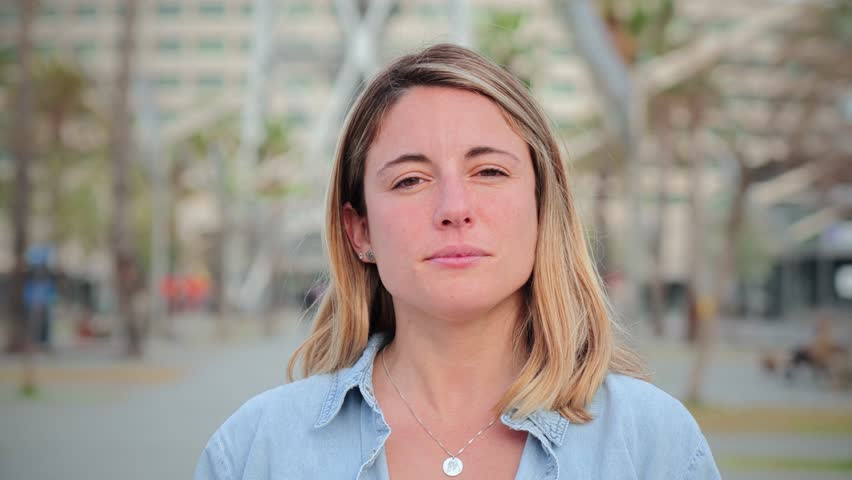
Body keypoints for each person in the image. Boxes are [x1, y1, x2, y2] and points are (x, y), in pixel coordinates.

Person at [194, 44, 720, 479]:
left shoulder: (654, 444)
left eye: (489, 171)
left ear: (543, 205)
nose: (454, 210)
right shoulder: (255, 450)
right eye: (410, 180)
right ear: (360, 231)